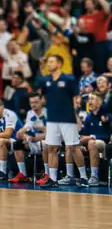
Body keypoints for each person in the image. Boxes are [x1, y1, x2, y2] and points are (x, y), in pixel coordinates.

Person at [36, 54, 81, 187]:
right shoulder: (46, 80)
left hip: (68, 119)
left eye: (51, 62)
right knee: (51, 148)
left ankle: (84, 177)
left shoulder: (69, 79)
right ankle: (53, 179)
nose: (49, 64)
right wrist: (41, 65)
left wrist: (76, 116)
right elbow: (40, 90)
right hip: (52, 119)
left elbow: (76, 98)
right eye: (48, 62)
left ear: (59, 64)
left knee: (72, 148)